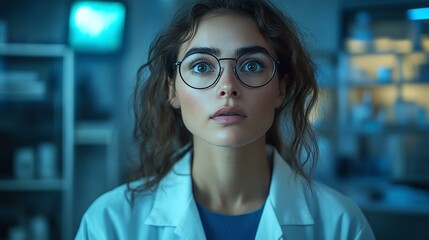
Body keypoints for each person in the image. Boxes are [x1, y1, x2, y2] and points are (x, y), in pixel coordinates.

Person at [75, 0, 375, 239]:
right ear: (172, 89)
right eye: (202, 67)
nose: (227, 86)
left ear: (281, 88)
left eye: (252, 64)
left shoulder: (341, 225)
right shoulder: (109, 224)